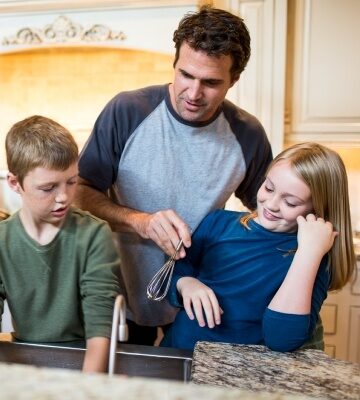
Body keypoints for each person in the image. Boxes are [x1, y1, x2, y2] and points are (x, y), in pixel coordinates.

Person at [76, 5, 273, 344]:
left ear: (234, 80)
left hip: (199, 301)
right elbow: (81, 193)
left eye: (211, 82)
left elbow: (270, 217)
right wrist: (141, 221)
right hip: (119, 294)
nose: (194, 93)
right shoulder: (128, 111)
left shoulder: (247, 135)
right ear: (175, 63)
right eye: (186, 75)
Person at [160, 142, 357, 352]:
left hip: (236, 372)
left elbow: (281, 339)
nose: (271, 204)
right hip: (178, 351)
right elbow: (173, 272)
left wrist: (307, 254)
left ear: (318, 208)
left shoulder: (312, 258)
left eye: (290, 203)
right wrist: (186, 283)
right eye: (268, 187)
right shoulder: (217, 222)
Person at [0, 115, 120, 373]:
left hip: (85, 365)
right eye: (48, 188)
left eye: (71, 182)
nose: (63, 197)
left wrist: (86, 389)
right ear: (15, 183)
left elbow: (100, 326)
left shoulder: (94, 235)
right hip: (25, 364)